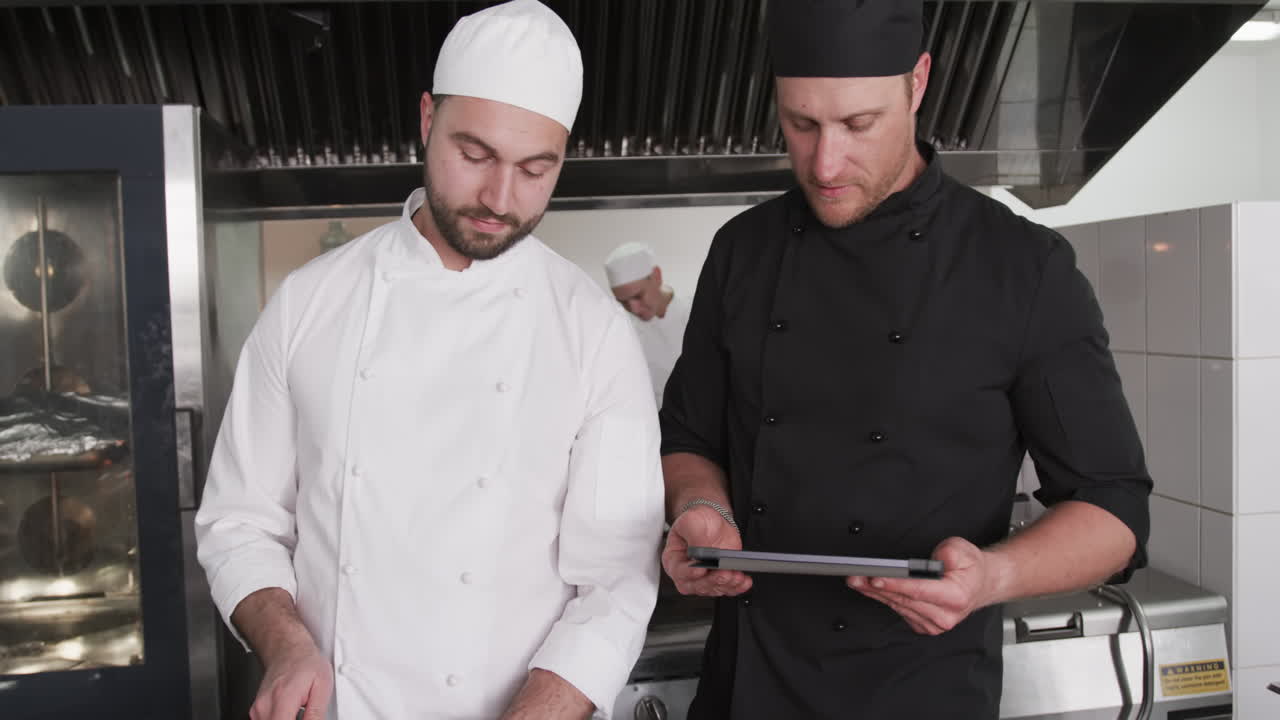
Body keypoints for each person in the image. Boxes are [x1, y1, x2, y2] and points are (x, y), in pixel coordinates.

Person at [657, 1, 1153, 718]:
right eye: (801, 124)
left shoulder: (1023, 268)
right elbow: (692, 440)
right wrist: (699, 509)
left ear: (918, 83)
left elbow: (1115, 506)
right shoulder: (742, 251)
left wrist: (993, 576)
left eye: (858, 125)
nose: (825, 164)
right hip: (745, 688)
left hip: (922, 694)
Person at [195, 2, 664, 719]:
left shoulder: (592, 331)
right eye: (473, 155)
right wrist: (286, 643)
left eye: (535, 169)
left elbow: (617, 578)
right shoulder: (310, 302)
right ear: (426, 119)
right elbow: (238, 522)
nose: (499, 198)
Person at [604, 242, 692, 408]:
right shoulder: (622, 332)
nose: (633, 309)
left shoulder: (696, 313)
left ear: (657, 276)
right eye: (623, 302)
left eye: (638, 296)